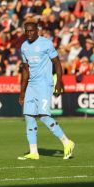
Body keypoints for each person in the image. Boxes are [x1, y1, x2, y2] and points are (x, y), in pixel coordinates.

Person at [18, 18, 75, 160]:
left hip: (44, 84)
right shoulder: (24, 46)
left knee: (43, 116)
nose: (29, 33)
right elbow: (25, 70)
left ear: (37, 31)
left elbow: (57, 63)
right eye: (27, 31)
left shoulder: (46, 43)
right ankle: (34, 152)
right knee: (29, 117)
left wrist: (59, 82)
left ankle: (67, 143)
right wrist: (22, 92)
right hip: (31, 85)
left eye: (32, 31)